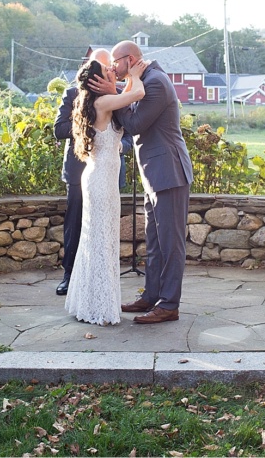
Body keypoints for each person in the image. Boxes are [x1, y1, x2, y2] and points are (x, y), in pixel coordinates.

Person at [90, 40, 194, 325]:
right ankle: (151, 295)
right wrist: (120, 91)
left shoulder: (156, 83)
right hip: (154, 173)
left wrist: (113, 93)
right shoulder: (142, 80)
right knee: (155, 242)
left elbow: (135, 125)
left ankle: (169, 305)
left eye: (115, 61)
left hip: (168, 172)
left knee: (170, 243)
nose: (112, 67)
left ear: (131, 58)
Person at [64, 56, 147, 325]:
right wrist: (133, 73)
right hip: (100, 182)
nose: (113, 69)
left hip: (102, 179)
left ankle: (91, 301)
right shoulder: (102, 102)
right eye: (107, 71)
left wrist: (119, 82)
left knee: (101, 240)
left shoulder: (100, 101)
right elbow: (139, 93)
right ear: (98, 81)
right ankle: (97, 306)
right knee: (100, 241)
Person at [53, 48, 132, 296]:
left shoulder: (117, 95)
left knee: (104, 228)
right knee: (77, 225)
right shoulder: (73, 94)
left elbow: (129, 131)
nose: (109, 73)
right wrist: (89, 125)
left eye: (110, 68)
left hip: (110, 169)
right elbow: (59, 128)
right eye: (103, 67)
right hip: (81, 170)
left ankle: (100, 278)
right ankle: (69, 275)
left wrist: (119, 146)